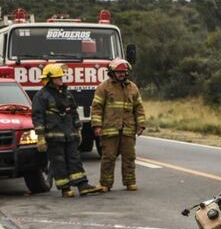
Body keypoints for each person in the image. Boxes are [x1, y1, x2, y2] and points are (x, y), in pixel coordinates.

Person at [31, 63, 103, 197]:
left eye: (61, 77)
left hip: (69, 134)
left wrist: (78, 129)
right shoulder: (41, 96)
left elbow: (74, 112)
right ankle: (65, 188)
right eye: (58, 77)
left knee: (75, 159)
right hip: (53, 136)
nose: (61, 79)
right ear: (49, 79)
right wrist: (40, 137)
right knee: (59, 162)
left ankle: (83, 185)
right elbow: (37, 117)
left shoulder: (67, 94)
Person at [91, 58, 146, 191]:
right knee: (108, 157)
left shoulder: (132, 88)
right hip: (110, 129)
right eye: (118, 72)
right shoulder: (104, 87)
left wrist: (141, 125)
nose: (121, 74)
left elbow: (138, 107)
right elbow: (96, 108)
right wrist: (97, 126)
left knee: (129, 157)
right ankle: (105, 184)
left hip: (128, 129)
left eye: (123, 72)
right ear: (112, 72)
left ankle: (129, 182)